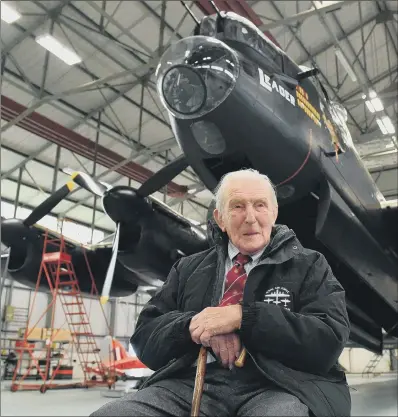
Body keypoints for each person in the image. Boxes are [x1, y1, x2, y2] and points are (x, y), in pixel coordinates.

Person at [90, 169, 351, 417]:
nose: (250, 217)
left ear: (274, 213)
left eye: (260, 205)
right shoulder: (187, 268)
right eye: (237, 206)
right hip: (193, 382)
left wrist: (243, 317)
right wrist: (195, 325)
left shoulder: (310, 264)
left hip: (280, 384)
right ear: (220, 219)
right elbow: (144, 340)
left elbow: (328, 340)